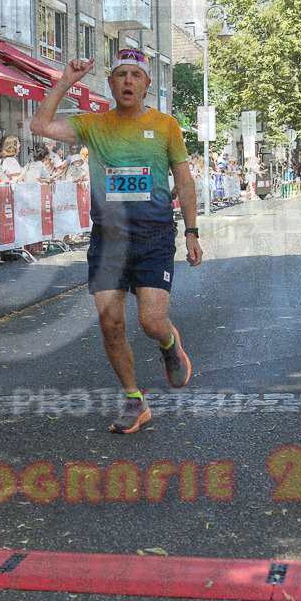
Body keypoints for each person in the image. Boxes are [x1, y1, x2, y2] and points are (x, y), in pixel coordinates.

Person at [30, 49, 203, 435]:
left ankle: (169, 344)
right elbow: (40, 126)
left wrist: (191, 232)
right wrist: (65, 82)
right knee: (110, 324)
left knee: (151, 321)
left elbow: (185, 180)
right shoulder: (93, 124)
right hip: (108, 239)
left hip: (154, 236)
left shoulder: (166, 125)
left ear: (146, 84)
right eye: (120, 74)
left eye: (135, 75)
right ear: (110, 84)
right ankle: (133, 400)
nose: (127, 81)